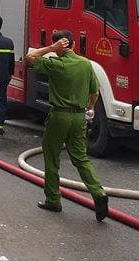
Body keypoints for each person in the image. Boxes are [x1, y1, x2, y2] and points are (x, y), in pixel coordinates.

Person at [26, 30, 108, 222]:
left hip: (59, 116)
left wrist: (50, 48)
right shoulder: (86, 64)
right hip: (80, 117)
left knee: (52, 155)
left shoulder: (56, 64)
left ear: (59, 48)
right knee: (80, 157)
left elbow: (30, 58)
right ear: (74, 45)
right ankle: (98, 192)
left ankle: (53, 200)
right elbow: (94, 93)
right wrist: (90, 109)